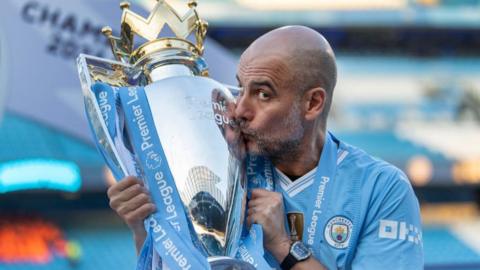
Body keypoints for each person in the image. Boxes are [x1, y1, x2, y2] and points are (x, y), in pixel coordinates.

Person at [107, 26, 424, 269]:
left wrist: (285, 247)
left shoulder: (381, 188)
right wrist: (145, 229)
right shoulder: (220, 167)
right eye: (241, 88)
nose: (239, 109)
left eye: (263, 94)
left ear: (312, 103)